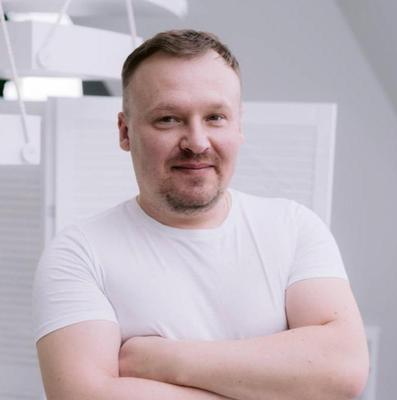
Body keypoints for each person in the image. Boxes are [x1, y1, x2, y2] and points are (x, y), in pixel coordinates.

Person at [33, 29, 369, 400]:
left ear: (239, 126)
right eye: (168, 119)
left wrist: (161, 360)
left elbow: (344, 369)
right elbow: (83, 395)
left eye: (215, 117)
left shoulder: (294, 228)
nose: (196, 142)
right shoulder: (79, 253)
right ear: (125, 131)